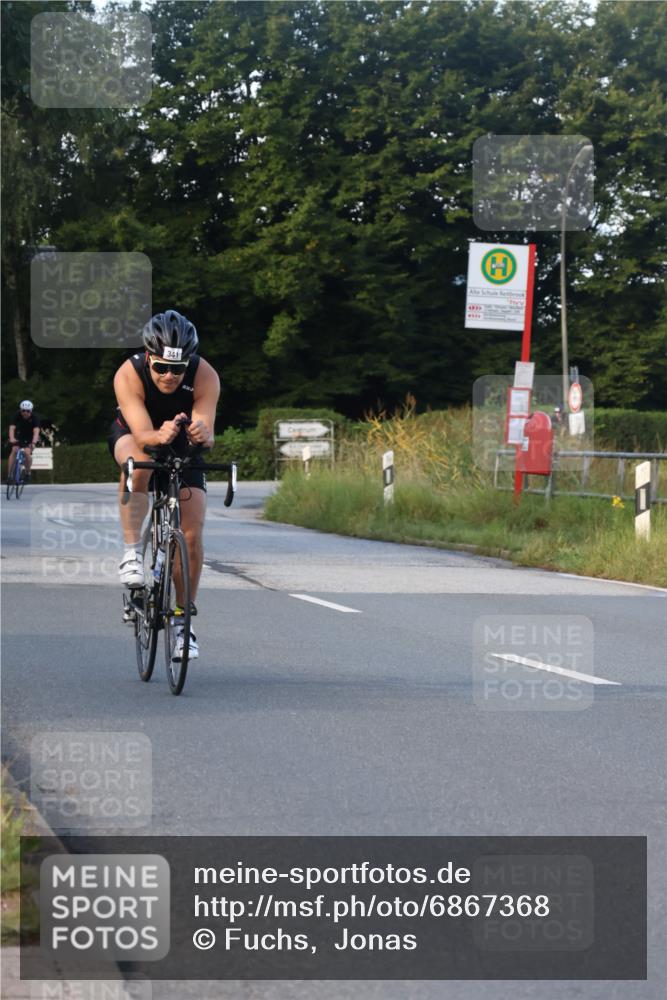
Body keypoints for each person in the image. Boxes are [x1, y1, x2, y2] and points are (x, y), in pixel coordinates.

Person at [108, 310, 220, 660]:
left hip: (181, 443)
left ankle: (183, 623)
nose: (170, 376)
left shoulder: (205, 375)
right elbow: (143, 434)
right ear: (149, 358)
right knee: (137, 464)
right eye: (161, 368)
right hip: (137, 433)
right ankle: (131, 554)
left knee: (191, 533)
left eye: (178, 368)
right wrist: (159, 434)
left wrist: (202, 433)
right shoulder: (129, 373)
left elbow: (207, 431)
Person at [8, 400, 41, 479]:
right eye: (23, 410)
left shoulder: (35, 417)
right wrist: (12, 438)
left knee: (27, 452)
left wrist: (33, 442)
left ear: (31, 411)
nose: (25, 413)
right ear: (20, 410)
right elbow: (12, 428)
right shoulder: (17, 415)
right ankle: (9, 475)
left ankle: (27, 472)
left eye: (28, 411)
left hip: (30, 436)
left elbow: (36, 431)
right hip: (20, 435)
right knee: (14, 450)